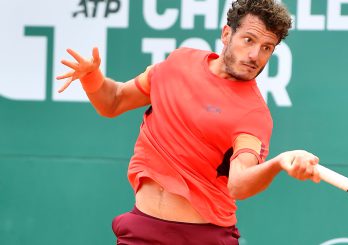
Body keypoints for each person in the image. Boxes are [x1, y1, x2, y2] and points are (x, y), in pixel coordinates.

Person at [57, 0, 320, 244]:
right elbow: (113, 101)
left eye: (266, 48)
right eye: (248, 40)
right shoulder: (178, 64)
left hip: (202, 237)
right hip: (141, 229)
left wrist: (278, 163)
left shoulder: (253, 114)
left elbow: (239, 183)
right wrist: (92, 77)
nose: (255, 55)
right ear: (227, 34)